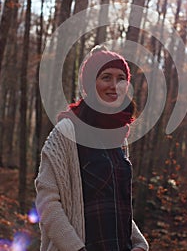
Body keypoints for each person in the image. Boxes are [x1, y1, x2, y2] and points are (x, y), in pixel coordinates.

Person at [35, 45, 149, 251]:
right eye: (106, 77)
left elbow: (115, 203)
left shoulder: (119, 137)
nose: (114, 85)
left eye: (121, 78)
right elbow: (47, 203)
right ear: (90, 83)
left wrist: (139, 243)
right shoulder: (67, 131)